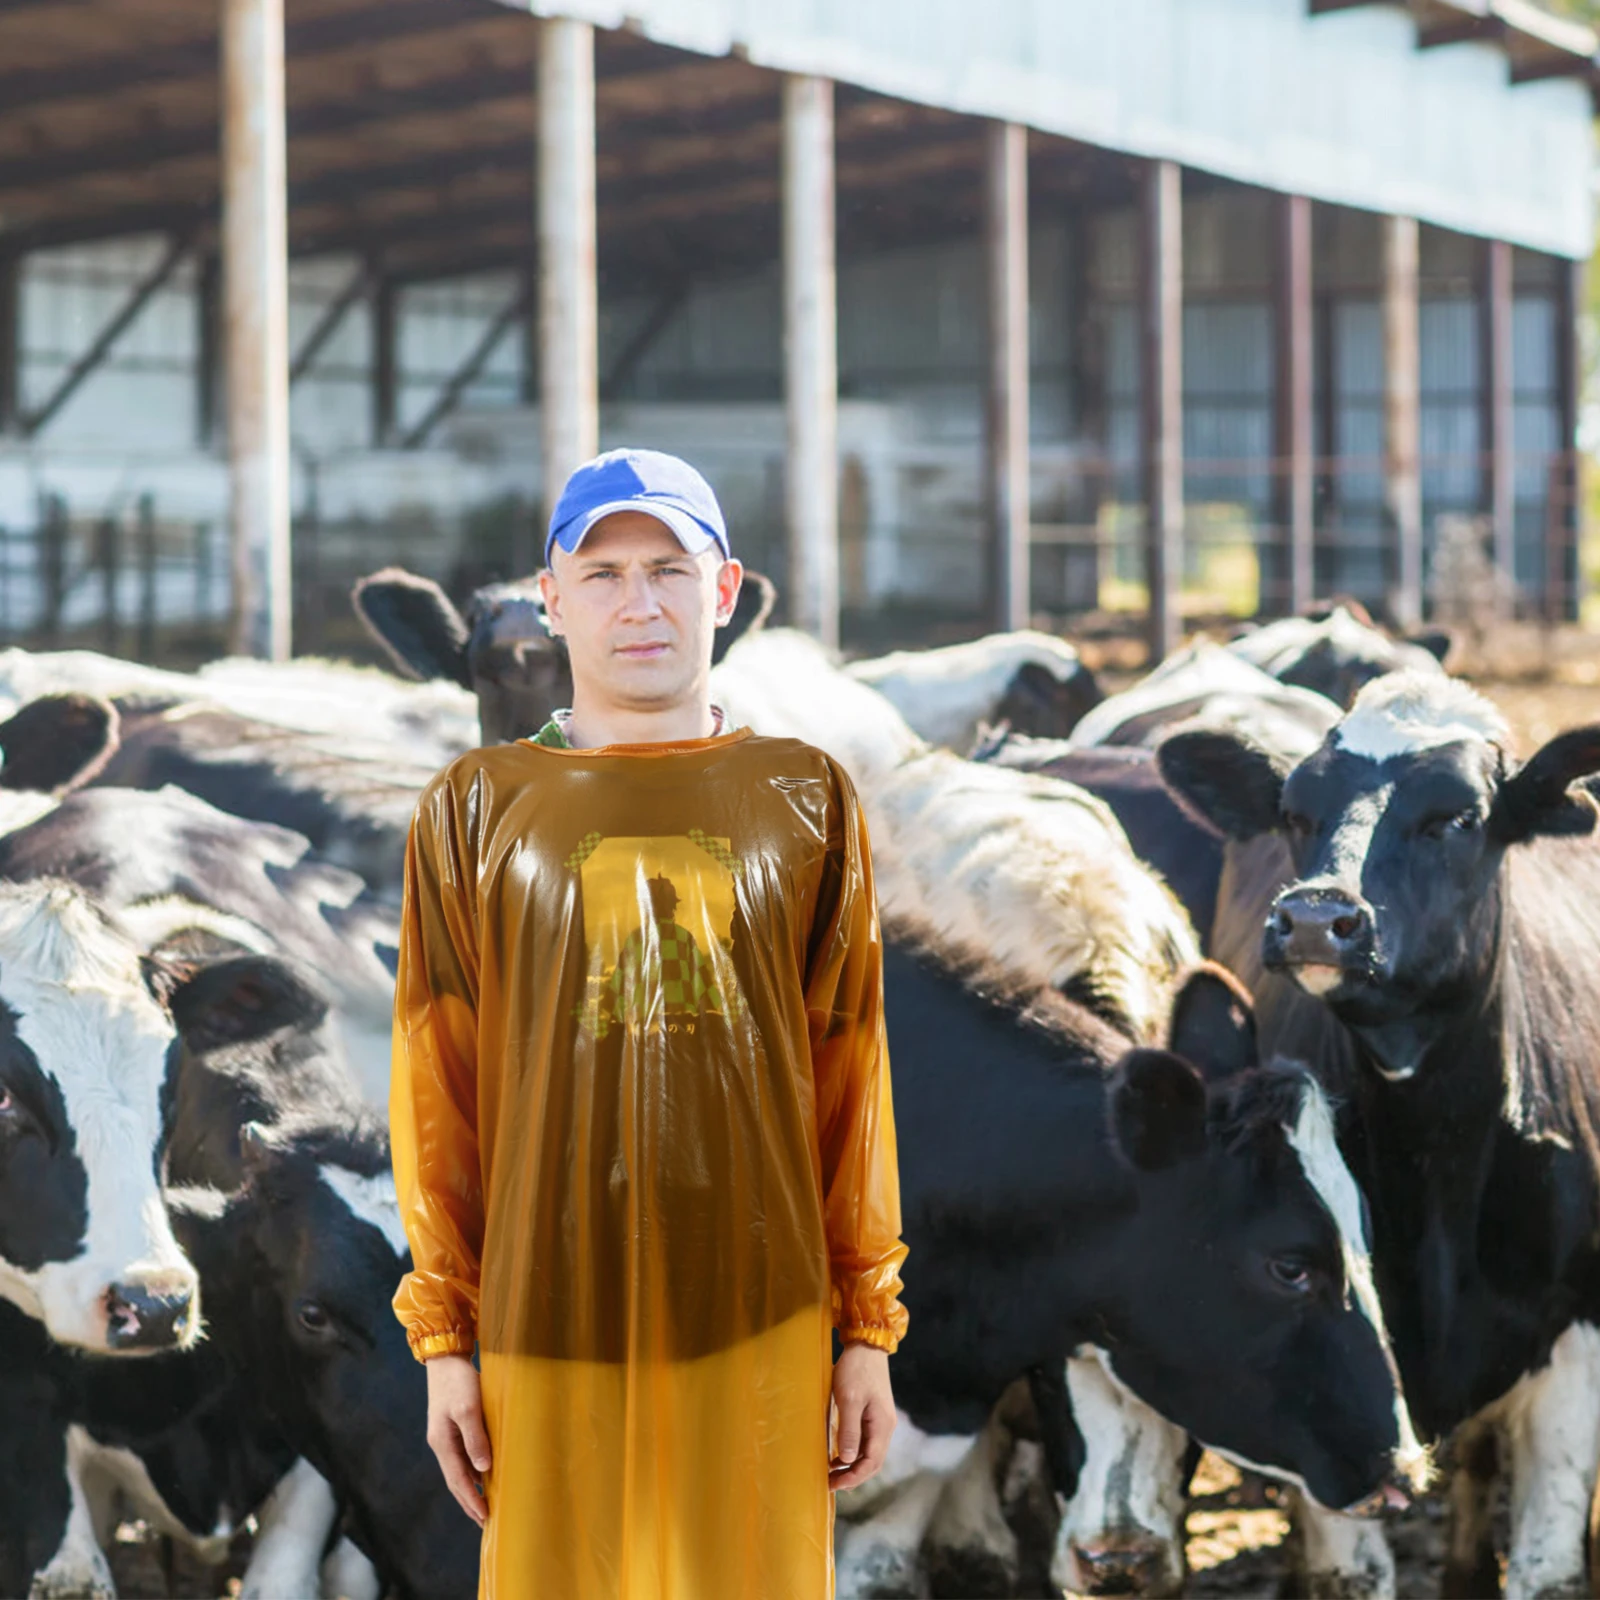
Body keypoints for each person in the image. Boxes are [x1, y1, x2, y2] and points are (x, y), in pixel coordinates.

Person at [389, 447, 908, 1600]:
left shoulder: (804, 795)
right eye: (604, 573)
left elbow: (849, 1074)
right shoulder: (474, 807)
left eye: (669, 570)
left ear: (722, 591)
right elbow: (438, 1089)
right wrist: (445, 1344)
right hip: (543, 1311)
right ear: (551, 598)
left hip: (760, 1314)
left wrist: (867, 1329)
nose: (639, 604)